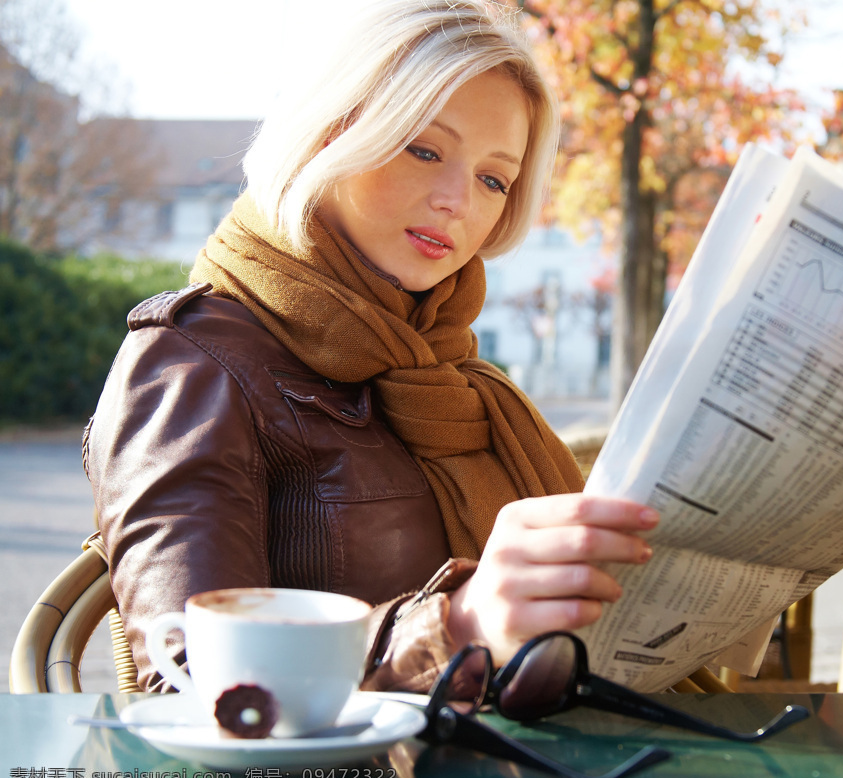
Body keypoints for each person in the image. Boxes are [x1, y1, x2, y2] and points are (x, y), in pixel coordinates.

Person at [84, 0, 657, 694]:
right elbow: (193, 684)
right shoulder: (193, 361)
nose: (458, 200)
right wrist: (457, 626)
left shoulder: (452, 374)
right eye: (424, 148)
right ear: (331, 134)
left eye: (493, 179)